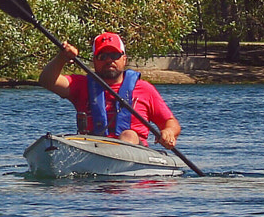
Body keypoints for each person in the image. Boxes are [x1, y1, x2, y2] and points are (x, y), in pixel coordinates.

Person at [39, 31, 180, 149]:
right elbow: (47, 81)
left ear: (124, 59)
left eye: (114, 55)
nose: (109, 60)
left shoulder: (145, 89)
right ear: (94, 61)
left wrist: (168, 132)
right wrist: (61, 58)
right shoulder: (81, 85)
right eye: (102, 56)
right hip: (93, 149)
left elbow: (171, 122)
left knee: (128, 135)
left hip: (134, 152)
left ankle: (122, 180)